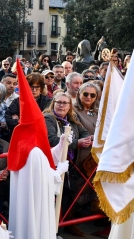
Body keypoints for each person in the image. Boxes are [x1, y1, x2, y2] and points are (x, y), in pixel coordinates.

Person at [43, 92, 90, 236]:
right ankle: (49, 230)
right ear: (53, 103)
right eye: (59, 102)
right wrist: (77, 143)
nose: (62, 105)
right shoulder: (48, 118)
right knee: (51, 198)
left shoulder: (71, 119)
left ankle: (66, 225)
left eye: (65, 103)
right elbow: (52, 140)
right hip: (52, 164)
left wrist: (87, 138)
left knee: (69, 194)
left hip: (69, 164)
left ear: (70, 106)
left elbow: (84, 132)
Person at [74, 82, 101, 167]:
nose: (89, 97)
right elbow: (77, 131)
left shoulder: (98, 111)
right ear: (79, 94)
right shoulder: (73, 110)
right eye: (85, 94)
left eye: (92, 95)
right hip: (81, 153)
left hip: (98, 153)